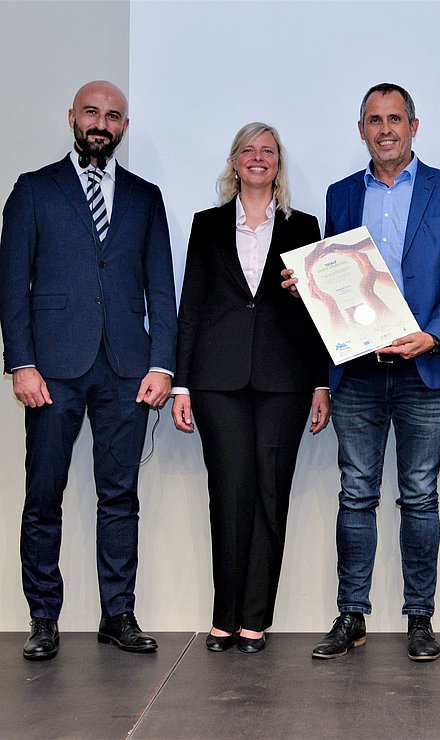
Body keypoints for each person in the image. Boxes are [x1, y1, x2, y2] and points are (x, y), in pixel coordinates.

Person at [284, 82, 440, 662]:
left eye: (396, 119)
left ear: (414, 127)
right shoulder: (340, 194)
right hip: (359, 372)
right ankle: (352, 615)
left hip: (424, 367)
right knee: (356, 495)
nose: (386, 129)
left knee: (420, 497)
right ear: (361, 129)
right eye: (375, 119)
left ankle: (420, 618)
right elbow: (337, 278)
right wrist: (310, 288)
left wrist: (434, 335)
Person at [0, 81, 177, 660]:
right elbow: (12, 287)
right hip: (52, 370)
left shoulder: (145, 197)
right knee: (43, 494)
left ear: (124, 127)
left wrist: (163, 364)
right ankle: (43, 618)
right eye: (92, 112)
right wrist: (21, 364)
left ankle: (117, 613)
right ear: (72, 117)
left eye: (114, 116)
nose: (102, 123)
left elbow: (161, 287)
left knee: (120, 496)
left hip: (128, 369)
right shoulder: (32, 190)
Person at [172, 123, 330, 654]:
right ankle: (224, 614)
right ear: (234, 161)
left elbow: (320, 315)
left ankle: (255, 618)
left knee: (270, 494)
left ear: (278, 163)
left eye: (267, 151)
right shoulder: (207, 225)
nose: (258, 158)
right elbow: (191, 304)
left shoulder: (304, 226)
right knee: (228, 492)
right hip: (217, 381)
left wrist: (320, 383)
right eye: (248, 150)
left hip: (285, 381)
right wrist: (182, 385)